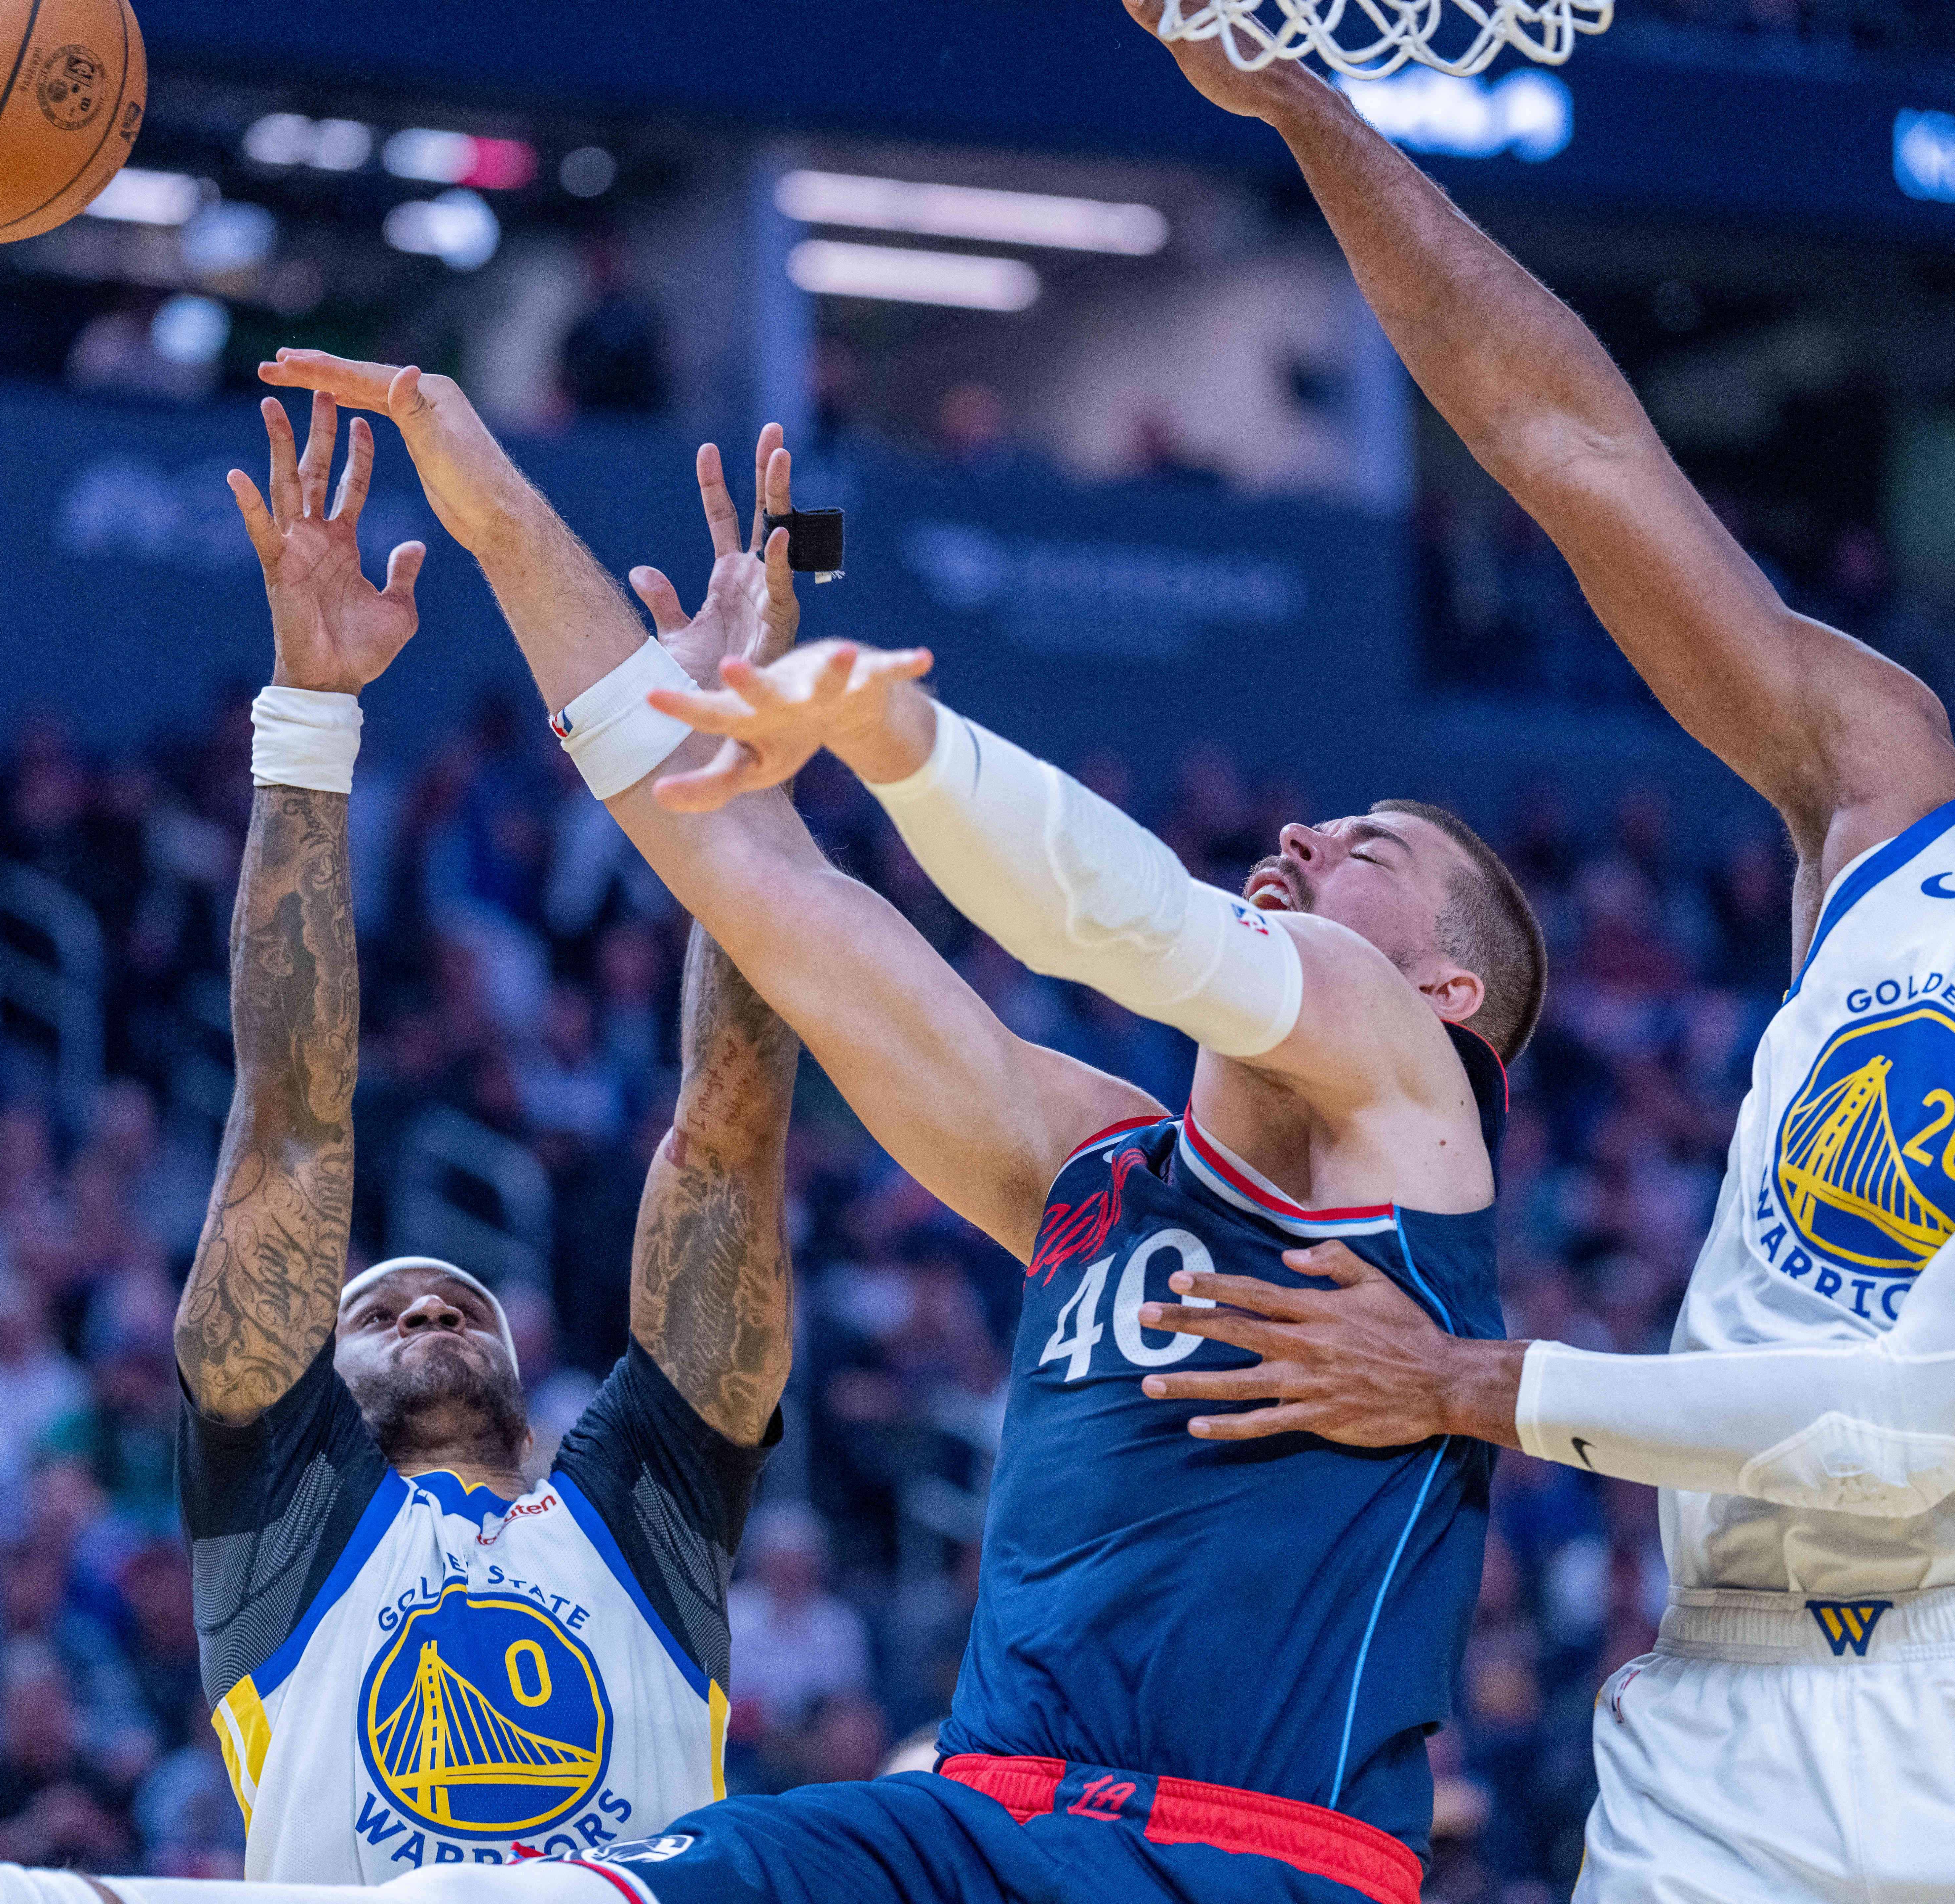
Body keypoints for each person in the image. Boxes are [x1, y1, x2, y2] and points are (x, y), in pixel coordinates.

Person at [1110, 9, 1955, 1900]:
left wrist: (1468, 1382)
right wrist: (1305, 110)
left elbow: (1898, 1432)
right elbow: (1567, 443)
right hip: (1709, 1724)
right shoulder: (1882, 804)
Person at [223, 320, 1545, 1904]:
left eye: (1370, 850)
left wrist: (895, 735)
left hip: (1247, 1853)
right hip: (983, 1817)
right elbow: (756, 886)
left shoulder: (1410, 1108)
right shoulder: (1090, 1162)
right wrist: (500, 507)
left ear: (1448, 992)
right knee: (587, 1884)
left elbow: (1123, 922)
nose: (1304, 838)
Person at [0, 391, 804, 1902]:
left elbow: (726, 1140)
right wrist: (309, 713)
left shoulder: (640, 1514)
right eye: (384, 1309)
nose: (424, 1308)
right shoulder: (292, 1515)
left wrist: (743, 765)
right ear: (314, 1395)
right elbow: (293, 1117)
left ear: (534, 1400)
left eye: (456, 1304)